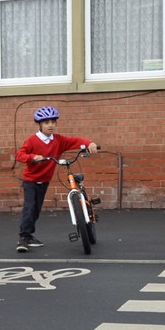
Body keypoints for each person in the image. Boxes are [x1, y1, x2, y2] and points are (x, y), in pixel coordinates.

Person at [15, 106, 98, 252]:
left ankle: (28, 235)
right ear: (39, 124)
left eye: (53, 121)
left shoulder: (58, 140)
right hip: (30, 180)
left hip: (44, 181)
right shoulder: (32, 140)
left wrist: (89, 143)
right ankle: (23, 239)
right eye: (46, 122)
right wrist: (33, 157)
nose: (50, 125)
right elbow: (20, 155)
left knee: (36, 210)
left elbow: (75, 141)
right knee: (29, 207)